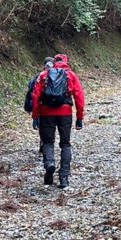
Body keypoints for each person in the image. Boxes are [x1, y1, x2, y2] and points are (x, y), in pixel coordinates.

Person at [31, 53, 85, 188]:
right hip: (65, 113)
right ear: (67, 62)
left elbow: (35, 96)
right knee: (65, 144)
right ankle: (64, 178)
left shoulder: (44, 75)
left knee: (48, 142)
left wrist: (35, 116)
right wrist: (79, 117)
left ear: (54, 62)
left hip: (46, 112)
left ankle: (49, 164)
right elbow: (79, 97)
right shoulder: (71, 75)